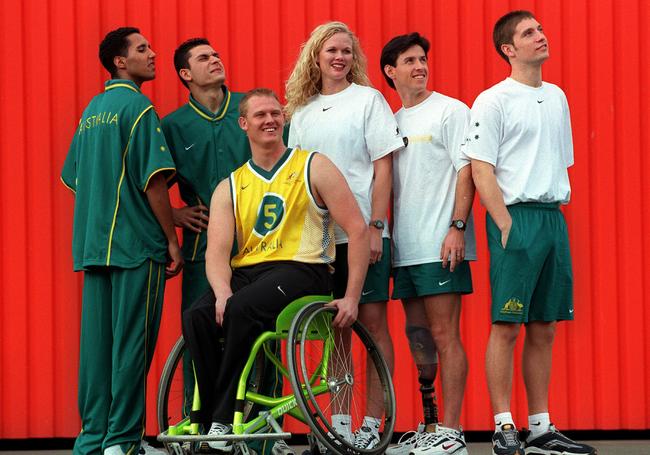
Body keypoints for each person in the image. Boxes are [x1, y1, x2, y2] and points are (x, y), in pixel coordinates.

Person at [181, 88, 369, 452]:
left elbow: (357, 229)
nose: (270, 120)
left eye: (275, 114)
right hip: (249, 273)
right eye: (260, 115)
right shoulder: (231, 185)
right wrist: (221, 293)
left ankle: (222, 419)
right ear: (243, 124)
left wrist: (351, 297)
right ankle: (207, 419)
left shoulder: (313, 165)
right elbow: (216, 254)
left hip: (304, 268)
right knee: (197, 315)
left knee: (241, 308)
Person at [463, 11, 596, 455]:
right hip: (514, 219)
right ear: (508, 49)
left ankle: (540, 428)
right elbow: (481, 167)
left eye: (539, 30)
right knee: (507, 324)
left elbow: (559, 163)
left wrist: (550, 221)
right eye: (528, 33)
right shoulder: (493, 100)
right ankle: (504, 426)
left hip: (552, 218)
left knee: (545, 327)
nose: (540, 36)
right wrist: (503, 223)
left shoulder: (556, 97)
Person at [61, 27, 183, 455]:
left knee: (96, 352)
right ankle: (123, 442)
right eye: (143, 49)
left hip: (94, 247)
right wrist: (171, 237)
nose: (153, 54)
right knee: (131, 346)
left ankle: (91, 438)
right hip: (136, 248)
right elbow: (153, 184)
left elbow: (73, 176)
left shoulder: (92, 111)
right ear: (120, 61)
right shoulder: (139, 108)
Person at [285, 21, 403, 449]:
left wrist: (375, 226)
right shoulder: (301, 111)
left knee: (371, 323)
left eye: (348, 52)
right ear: (315, 56)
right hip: (317, 238)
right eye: (332, 50)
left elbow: (383, 166)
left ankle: (373, 422)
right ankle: (338, 421)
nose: (340, 57)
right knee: (334, 324)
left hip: (363, 233)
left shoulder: (369, 101)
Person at [380, 32, 476, 455]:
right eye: (410, 61)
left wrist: (457, 226)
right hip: (404, 250)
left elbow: (467, 170)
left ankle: (452, 431)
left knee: (444, 333)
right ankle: (430, 424)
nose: (420, 66)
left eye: (423, 60)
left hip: (441, 246)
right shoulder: (392, 122)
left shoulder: (451, 111)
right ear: (391, 71)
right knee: (417, 336)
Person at [161, 37, 253, 435]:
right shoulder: (172, 125)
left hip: (257, 245)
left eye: (216, 54)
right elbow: (146, 183)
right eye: (204, 58)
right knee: (201, 335)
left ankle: (262, 433)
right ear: (186, 74)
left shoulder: (250, 108)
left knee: (256, 337)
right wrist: (176, 214)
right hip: (201, 251)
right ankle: (198, 428)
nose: (215, 60)